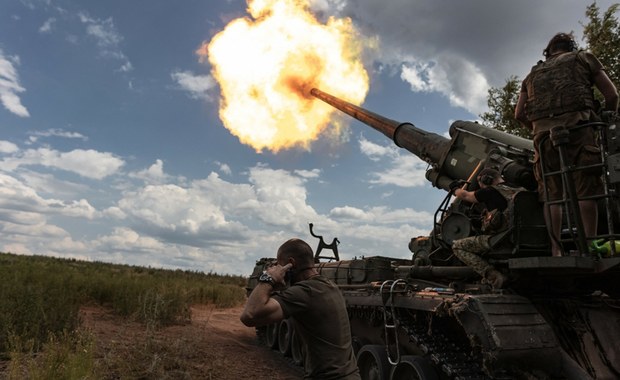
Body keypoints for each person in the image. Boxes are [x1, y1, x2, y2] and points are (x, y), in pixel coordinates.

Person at [515, 32, 619, 257]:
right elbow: (612, 95)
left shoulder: (531, 76)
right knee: (585, 191)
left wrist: (537, 130)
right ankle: (589, 247)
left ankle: (556, 250)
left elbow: (518, 114)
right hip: (580, 132)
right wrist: (603, 123)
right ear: (570, 47)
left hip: (544, 140)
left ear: (548, 52)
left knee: (552, 196)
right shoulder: (584, 58)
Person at [240, 238, 360, 380]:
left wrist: (268, 278)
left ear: (291, 264)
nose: (278, 269)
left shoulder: (305, 292)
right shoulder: (328, 286)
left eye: (280, 265)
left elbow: (249, 315)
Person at [450, 168, 516, 289]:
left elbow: (465, 195)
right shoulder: (519, 190)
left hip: (502, 239)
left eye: (480, 183)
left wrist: (455, 188)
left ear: (487, 179)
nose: (480, 186)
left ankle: (494, 276)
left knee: (457, 246)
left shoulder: (490, 191)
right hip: (520, 236)